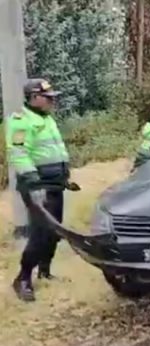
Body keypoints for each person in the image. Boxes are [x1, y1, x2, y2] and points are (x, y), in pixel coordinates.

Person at [5, 78, 74, 302]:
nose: (53, 101)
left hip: (55, 184)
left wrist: (64, 176)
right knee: (40, 233)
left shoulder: (46, 119)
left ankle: (45, 271)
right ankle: (23, 278)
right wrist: (34, 182)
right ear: (34, 98)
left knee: (55, 231)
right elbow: (18, 153)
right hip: (38, 186)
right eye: (48, 98)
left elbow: (53, 151)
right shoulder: (21, 121)